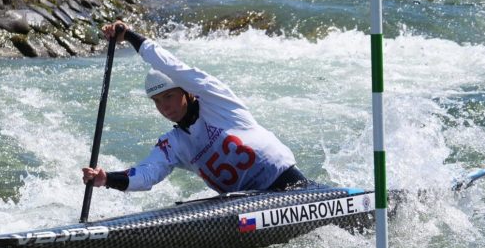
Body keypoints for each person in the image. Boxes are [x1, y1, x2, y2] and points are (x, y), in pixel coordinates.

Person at [82, 21, 312, 194]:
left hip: (288, 182)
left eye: (169, 96)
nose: (164, 106)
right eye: (157, 101)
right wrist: (107, 179)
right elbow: (147, 173)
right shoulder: (173, 143)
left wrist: (130, 36)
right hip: (245, 202)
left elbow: (170, 65)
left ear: (187, 92)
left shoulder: (216, 99)